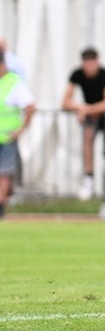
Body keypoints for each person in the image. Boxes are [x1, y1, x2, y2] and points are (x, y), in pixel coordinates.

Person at [62, 47, 105, 212]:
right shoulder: (77, 74)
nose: (90, 66)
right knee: (87, 136)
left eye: (92, 62)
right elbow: (65, 102)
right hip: (91, 116)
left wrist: (87, 109)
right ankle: (88, 176)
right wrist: (81, 108)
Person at [0, 59, 37, 218]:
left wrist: (21, 129)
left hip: (7, 136)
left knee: (4, 172)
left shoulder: (14, 82)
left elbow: (30, 105)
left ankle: (0, 204)